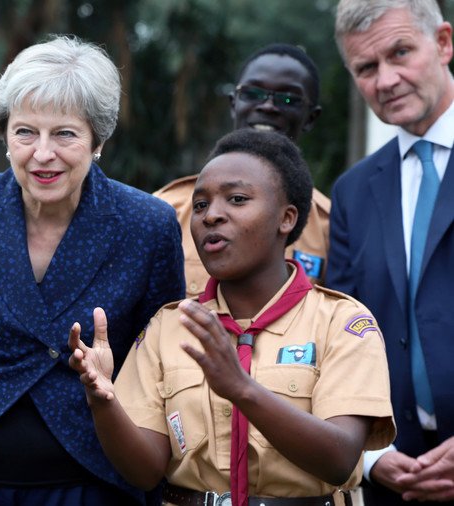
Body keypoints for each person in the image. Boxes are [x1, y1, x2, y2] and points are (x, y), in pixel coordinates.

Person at [0, 36, 185, 506]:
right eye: (25, 132)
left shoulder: (147, 224)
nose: (42, 153)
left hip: (90, 482)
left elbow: (163, 383)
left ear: (98, 140)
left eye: (64, 133)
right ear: (5, 136)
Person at [70, 129, 395, 505]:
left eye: (237, 199)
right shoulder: (171, 325)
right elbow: (144, 472)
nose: (212, 216)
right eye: (202, 205)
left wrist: (241, 388)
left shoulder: (342, 323)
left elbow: (339, 460)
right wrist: (103, 400)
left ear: (286, 218)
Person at [330, 0, 454, 503]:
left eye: (400, 53)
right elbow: (340, 336)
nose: (386, 81)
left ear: (443, 42)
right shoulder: (354, 192)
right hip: (397, 479)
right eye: (366, 67)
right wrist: (370, 456)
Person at [155, 43, 330, 297]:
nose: (268, 106)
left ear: (311, 117)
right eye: (253, 93)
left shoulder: (329, 225)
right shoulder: (167, 210)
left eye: (288, 99)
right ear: (233, 103)